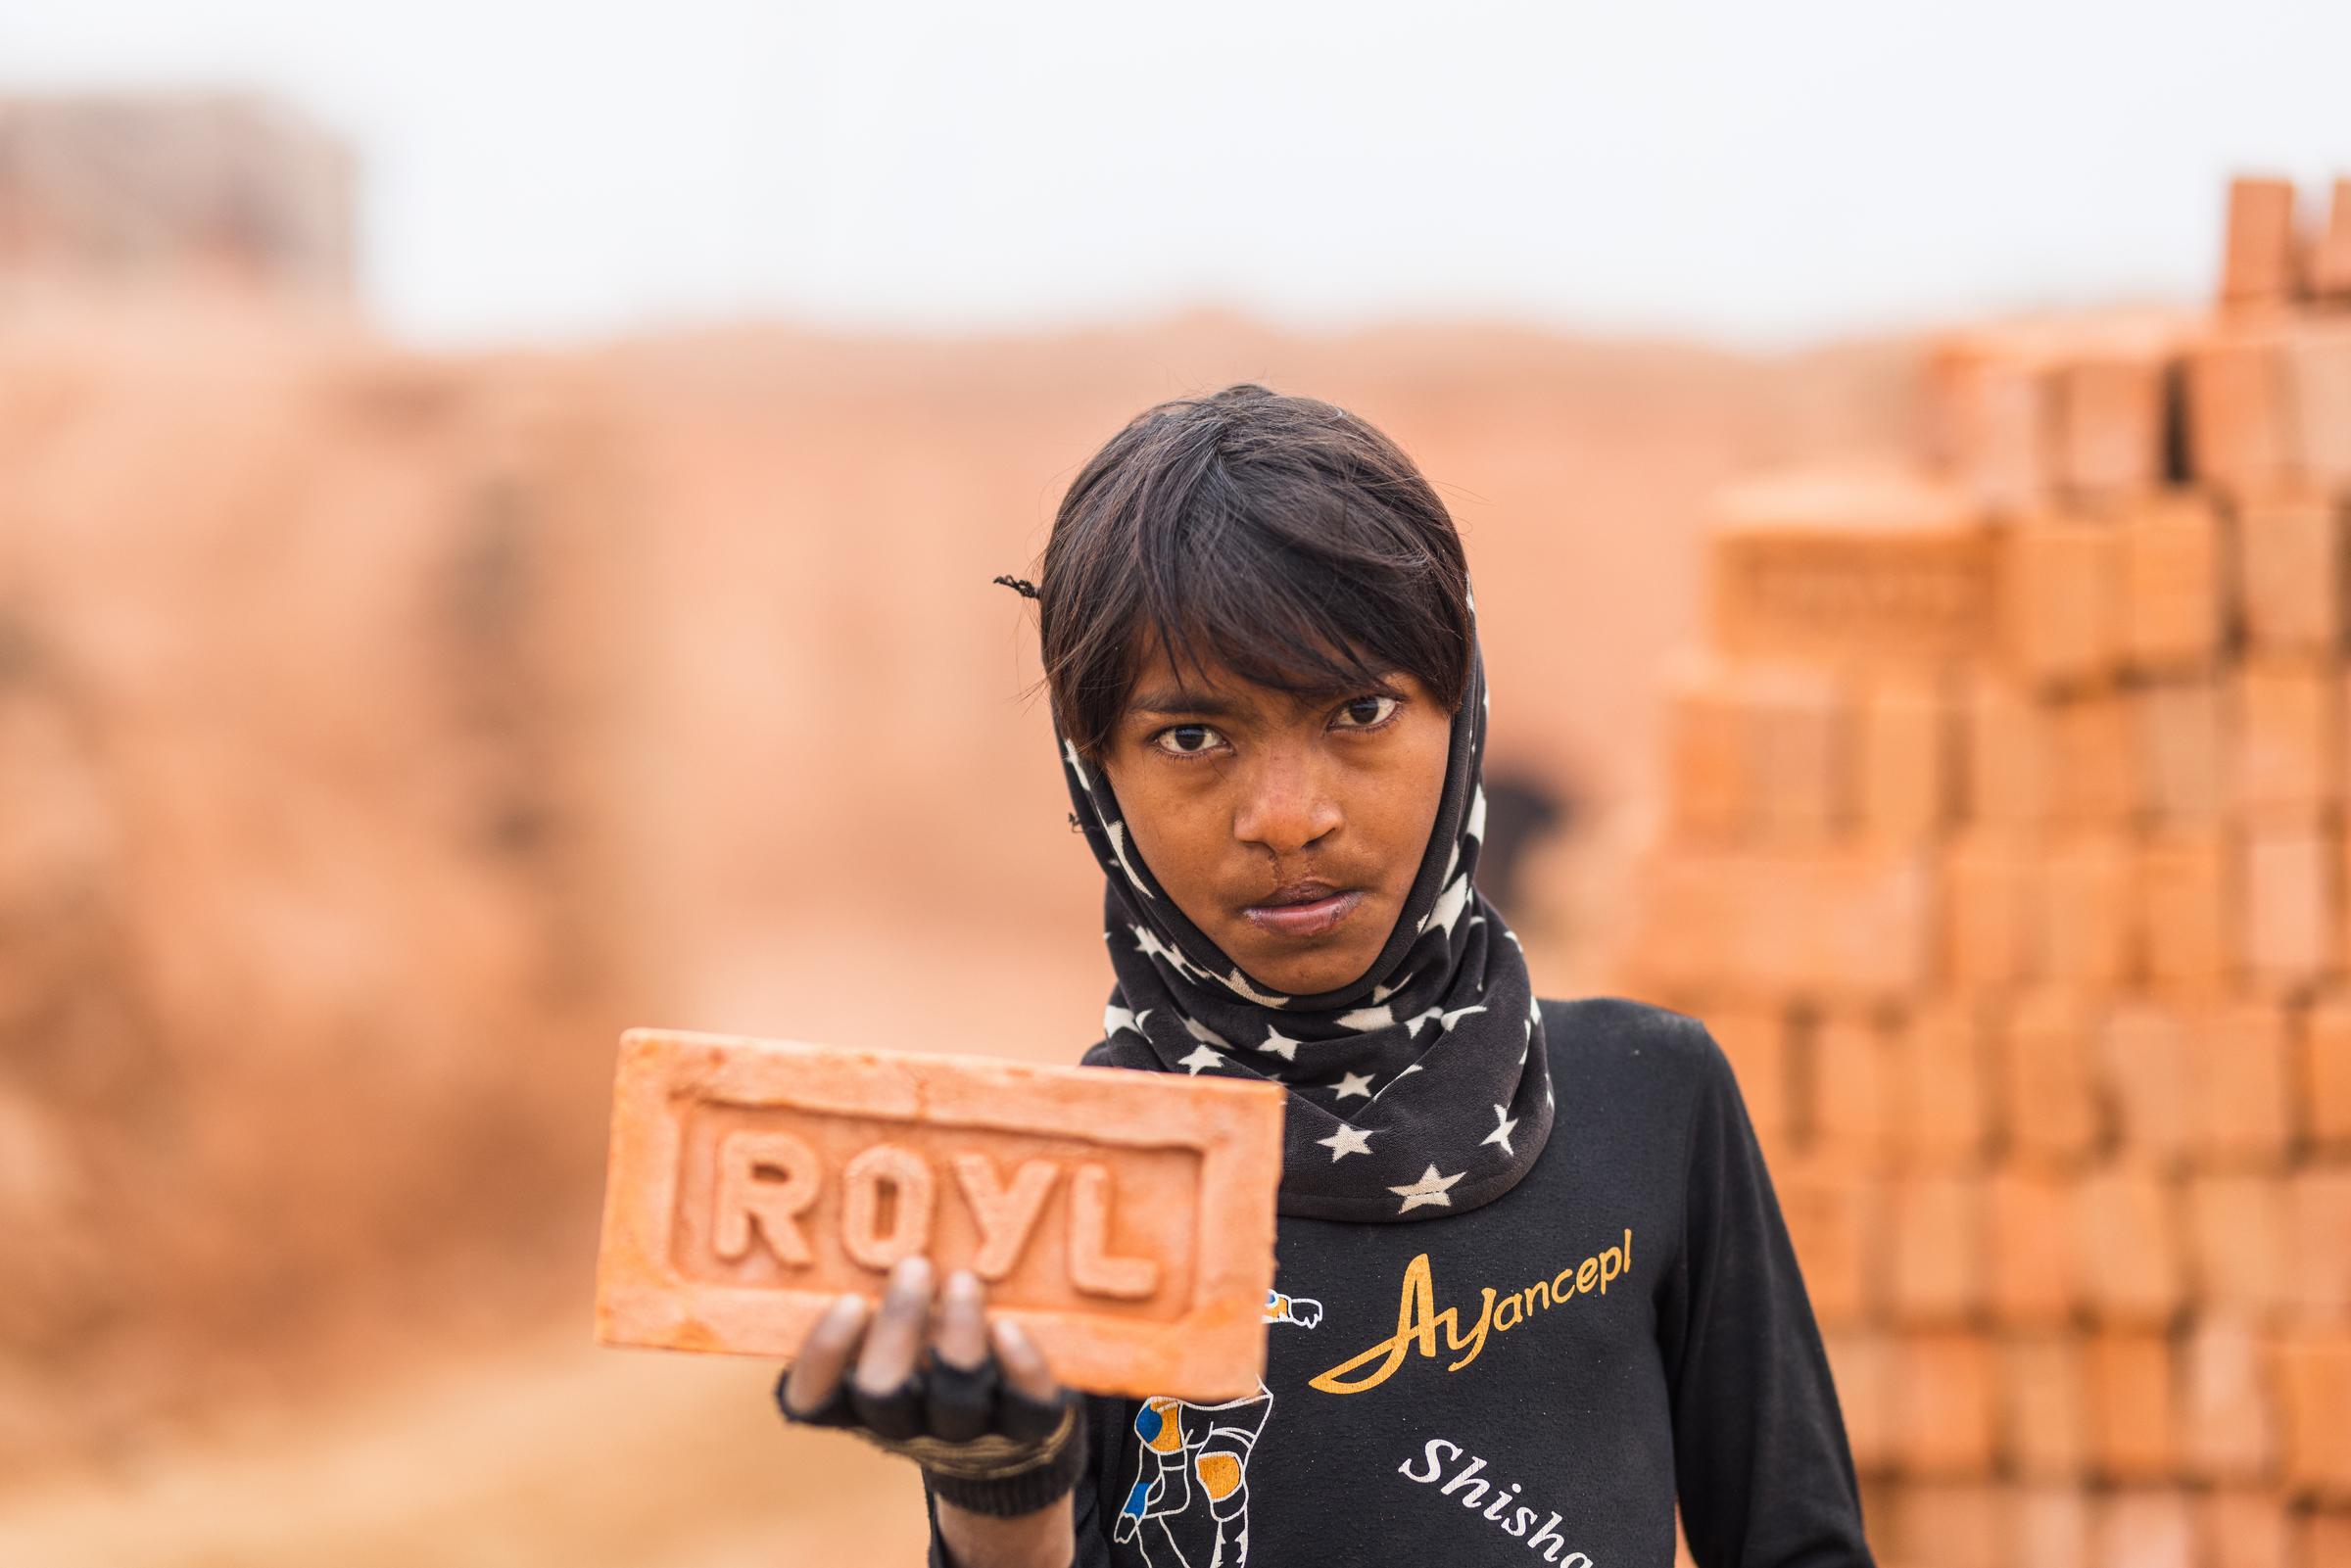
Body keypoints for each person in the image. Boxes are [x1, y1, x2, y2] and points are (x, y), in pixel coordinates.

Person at [776, 384, 1875, 1567]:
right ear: (1095, 773)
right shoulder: (1062, 1192)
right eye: (1193, 737)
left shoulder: (1651, 1099)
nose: (1287, 818)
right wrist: (1002, 1501)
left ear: (1461, 713)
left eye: (1359, 709)